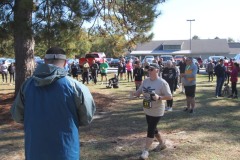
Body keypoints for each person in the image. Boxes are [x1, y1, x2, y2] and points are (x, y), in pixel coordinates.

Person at [10, 47, 96, 160]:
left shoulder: (27, 86)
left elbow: (17, 115)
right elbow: (86, 117)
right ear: (65, 62)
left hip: (35, 150)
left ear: (45, 60)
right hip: (66, 149)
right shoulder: (75, 86)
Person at [133, 63, 172, 160]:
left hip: (157, 110)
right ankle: (162, 143)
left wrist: (159, 97)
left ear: (157, 70)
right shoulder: (146, 81)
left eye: (151, 69)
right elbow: (140, 91)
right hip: (147, 108)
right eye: (148, 69)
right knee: (153, 128)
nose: (149, 71)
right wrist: (136, 93)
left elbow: (170, 96)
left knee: (150, 129)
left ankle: (145, 151)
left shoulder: (162, 82)